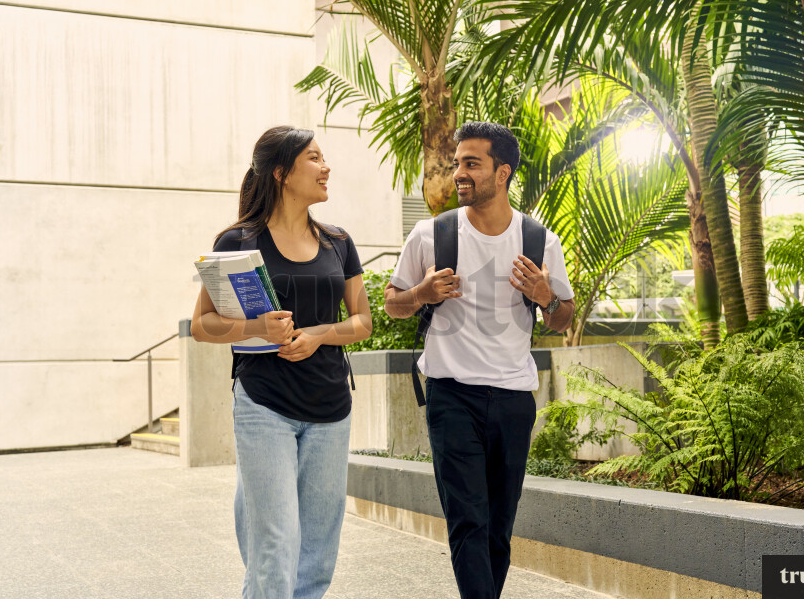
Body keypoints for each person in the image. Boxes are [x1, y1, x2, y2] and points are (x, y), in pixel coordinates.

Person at [384, 122, 575, 599]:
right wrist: (421, 292)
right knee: (467, 518)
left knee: (498, 526)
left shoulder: (539, 240)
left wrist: (545, 295)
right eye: (457, 164)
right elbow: (392, 303)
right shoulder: (431, 234)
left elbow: (562, 318)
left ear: (502, 171)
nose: (459, 174)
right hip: (451, 395)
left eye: (472, 163)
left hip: (513, 398)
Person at [190, 125, 372, 599]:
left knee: (317, 550)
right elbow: (202, 325)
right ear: (282, 172)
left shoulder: (338, 241)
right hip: (264, 402)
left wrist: (317, 335)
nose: (326, 166)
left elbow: (362, 322)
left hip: (330, 407)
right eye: (314, 158)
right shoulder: (238, 242)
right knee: (276, 543)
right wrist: (256, 329)